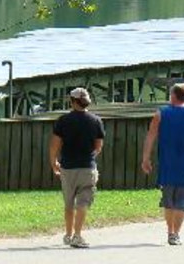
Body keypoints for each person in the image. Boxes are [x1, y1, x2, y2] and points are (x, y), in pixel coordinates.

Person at [141, 83, 184, 246]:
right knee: (183, 202)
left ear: (173, 96)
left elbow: (151, 136)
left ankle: (170, 231)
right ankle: (175, 234)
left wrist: (146, 158)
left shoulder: (161, 114)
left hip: (168, 164)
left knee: (169, 200)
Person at [49, 87, 105, 249]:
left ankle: (68, 234)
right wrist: (89, 157)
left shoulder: (63, 121)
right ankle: (78, 235)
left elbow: (54, 145)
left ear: (72, 102)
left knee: (68, 202)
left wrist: (54, 162)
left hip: (67, 168)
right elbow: (99, 146)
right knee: (83, 201)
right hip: (87, 167)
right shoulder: (96, 121)